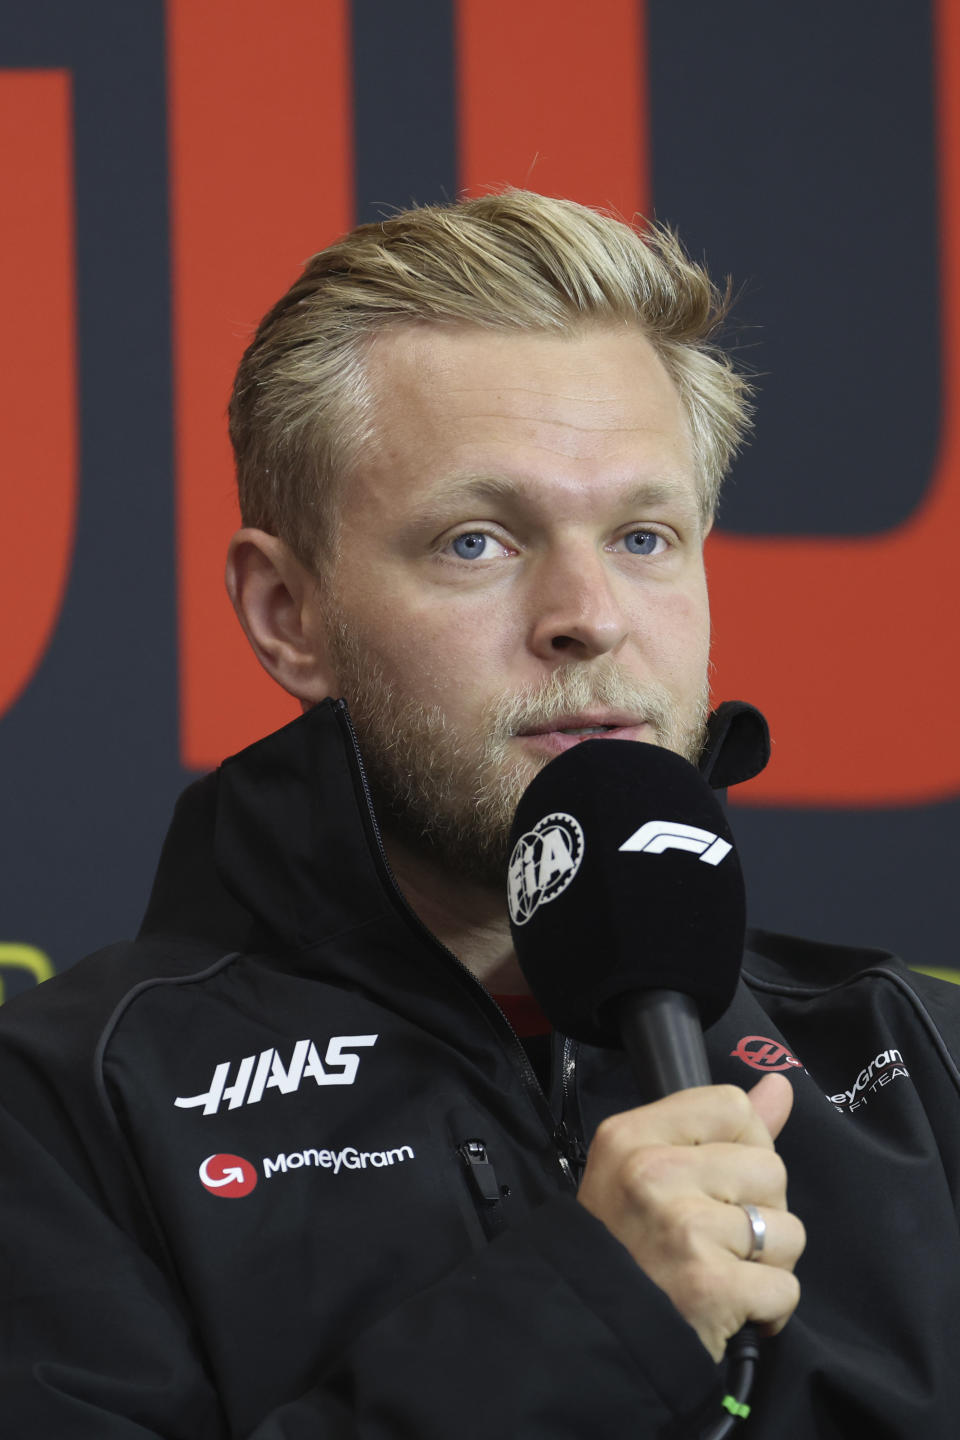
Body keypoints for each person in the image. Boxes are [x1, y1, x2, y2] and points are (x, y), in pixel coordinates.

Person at [1, 190, 959, 1439]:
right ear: (287, 612)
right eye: (476, 542)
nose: (588, 613)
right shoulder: (64, 1112)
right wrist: (587, 1322)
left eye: (644, 536)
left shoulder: (918, 1062)